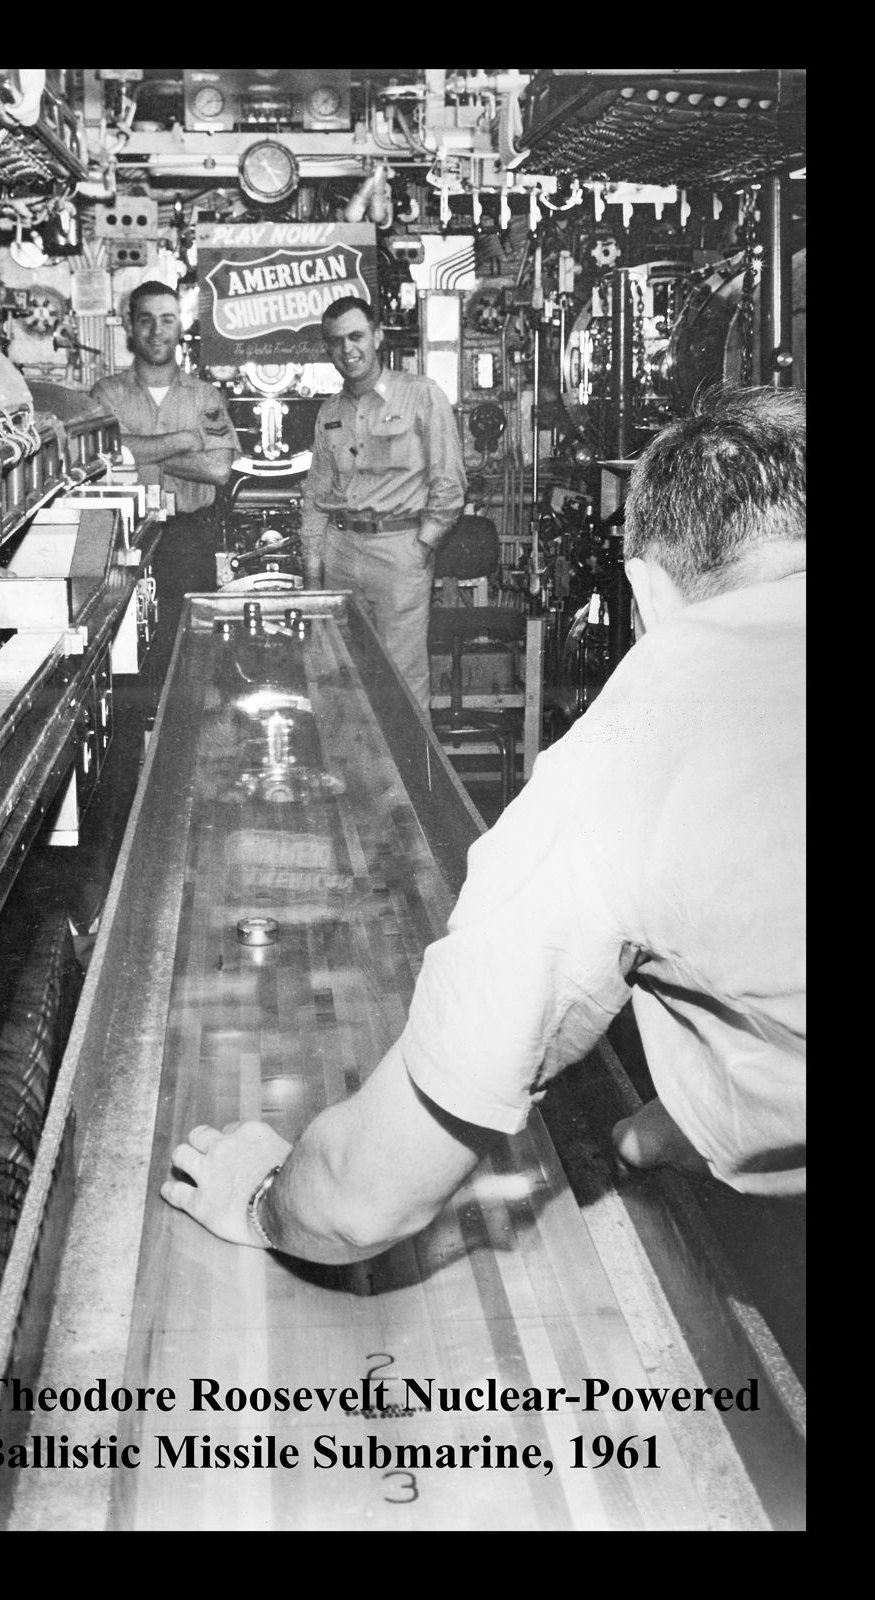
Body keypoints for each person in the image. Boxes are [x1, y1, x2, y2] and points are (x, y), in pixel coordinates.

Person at [162, 384, 806, 1264]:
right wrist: (680, 1126)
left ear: (646, 590)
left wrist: (265, 1198)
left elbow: (361, 1204)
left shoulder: (633, 752)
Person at [298, 296, 466, 712]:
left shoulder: (421, 395)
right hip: (340, 554)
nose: (347, 350)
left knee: (402, 684)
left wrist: (422, 546)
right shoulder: (329, 412)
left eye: (356, 336)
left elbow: (449, 484)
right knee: (338, 680)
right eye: (336, 342)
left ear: (378, 336)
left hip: (398, 554)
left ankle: (410, 779)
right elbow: (317, 497)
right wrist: (313, 576)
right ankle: (350, 778)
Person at [90, 280, 240, 672]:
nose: (157, 332)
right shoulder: (106, 395)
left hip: (189, 541)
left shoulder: (205, 396)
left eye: (167, 320)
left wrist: (140, 455)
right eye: (146, 320)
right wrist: (184, 440)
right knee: (125, 662)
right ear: (129, 325)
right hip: (119, 541)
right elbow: (100, 458)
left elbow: (218, 470)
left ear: (181, 326)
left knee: (193, 660)